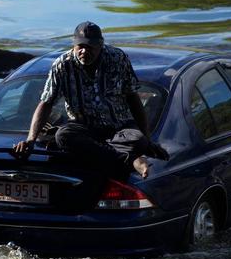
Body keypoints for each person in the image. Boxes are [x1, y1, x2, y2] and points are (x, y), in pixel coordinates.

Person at [12, 21, 168, 178]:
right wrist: (31, 140)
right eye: (80, 47)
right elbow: (46, 103)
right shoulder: (62, 66)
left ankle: (122, 153)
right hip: (84, 129)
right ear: (74, 45)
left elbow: (133, 98)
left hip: (118, 128)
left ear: (101, 45)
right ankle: (131, 159)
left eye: (90, 47)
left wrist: (147, 140)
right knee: (63, 136)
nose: (84, 52)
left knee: (138, 139)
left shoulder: (118, 59)